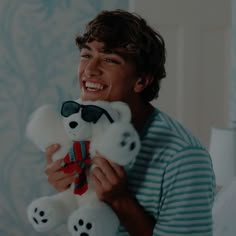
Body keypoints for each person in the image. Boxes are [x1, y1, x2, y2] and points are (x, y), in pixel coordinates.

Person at [45, 9, 216, 236]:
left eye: (109, 59)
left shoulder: (183, 157)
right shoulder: (76, 127)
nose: (89, 70)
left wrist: (120, 201)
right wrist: (67, 186)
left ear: (142, 80)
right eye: (86, 55)